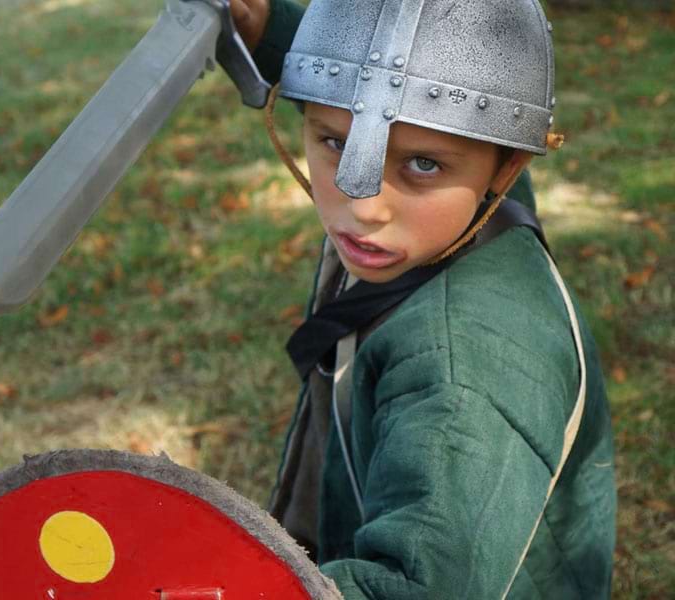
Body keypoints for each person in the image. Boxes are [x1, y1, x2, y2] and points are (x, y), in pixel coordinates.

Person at [230, 1, 617, 598]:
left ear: (507, 166)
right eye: (334, 141)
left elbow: (416, 587)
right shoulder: (465, 201)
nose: (365, 207)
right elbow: (385, 89)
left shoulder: (461, 377)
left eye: (422, 164)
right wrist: (269, 28)